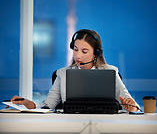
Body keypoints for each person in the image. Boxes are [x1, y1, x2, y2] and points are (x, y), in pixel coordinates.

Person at [6, 29, 139, 112]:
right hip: (70, 124)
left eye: (84, 51)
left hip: (105, 124)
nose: (78, 55)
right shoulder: (62, 74)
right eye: (75, 49)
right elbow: (47, 106)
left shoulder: (111, 72)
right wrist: (27, 103)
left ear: (96, 53)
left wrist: (131, 106)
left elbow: (132, 104)